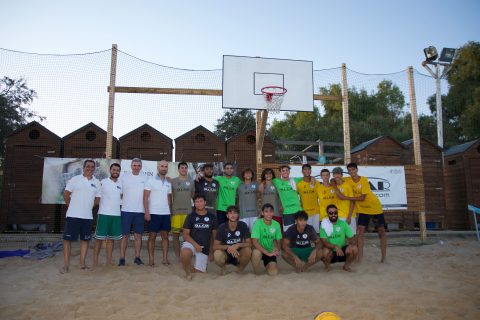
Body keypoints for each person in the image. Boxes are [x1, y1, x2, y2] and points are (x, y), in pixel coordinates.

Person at [61, 159, 100, 273]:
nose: (90, 168)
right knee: (67, 240)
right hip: (73, 215)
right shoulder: (75, 179)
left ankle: (82, 264)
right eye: (88, 166)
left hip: (87, 217)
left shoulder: (96, 182)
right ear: (83, 167)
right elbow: (66, 194)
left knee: (85, 240)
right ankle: (66, 265)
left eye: (92, 167)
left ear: (94, 169)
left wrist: (90, 207)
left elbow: (98, 198)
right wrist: (70, 206)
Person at [344, 162, 386, 262]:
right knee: (360, 233)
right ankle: (360, 258)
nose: (351, 172)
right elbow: (335, 179)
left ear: (357, 170)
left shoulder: (363, 180)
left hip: (374, 208)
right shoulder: (348, 180)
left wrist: (346, 197)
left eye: (353, 169)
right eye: (349, 170)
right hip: (363, 210)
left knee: (381, 232)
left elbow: (362, 197)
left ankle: (383, 257)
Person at [180, 194, 218, 280]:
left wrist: (211, 252)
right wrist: (195, 244)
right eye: (197, 202)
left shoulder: (212, 217)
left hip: (204, 248)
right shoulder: (190, 216)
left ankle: (193, 265)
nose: (199, 203)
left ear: (205, 202)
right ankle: (188, 273)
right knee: (185, 253)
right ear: (194, 204)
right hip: (191, 243)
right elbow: (185, 234)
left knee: (200, 273)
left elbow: (214, 237)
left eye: (201, 201)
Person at [92, 163, 122, 268]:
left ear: (120, 172)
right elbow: (96, 196)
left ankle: (108, 261)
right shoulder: (102, 182)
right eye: (114, 170)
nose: (115, 172)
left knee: (111, 239)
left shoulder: (121, 184)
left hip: (116, 215)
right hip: (103, 214)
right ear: (110, 170)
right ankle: (95, 261)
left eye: (118, 170)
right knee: (99, 239)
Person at [119, 158, 148, 266]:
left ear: (141, 167)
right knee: (124, 236)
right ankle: (122, 258)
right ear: (131, 166)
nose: (136, 167)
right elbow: (119, 192)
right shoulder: (124, 177)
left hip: (140, 211)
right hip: (126, 211)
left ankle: (137, 257)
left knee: (138, 236)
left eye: (138, 166)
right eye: (134, 165)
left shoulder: (145, 178)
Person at [144, 160, 172, 266]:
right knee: (152, 237)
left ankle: (165, 259)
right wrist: (147, 212)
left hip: (165, 214)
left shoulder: (168, 182)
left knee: (165, 237)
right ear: (157, 167)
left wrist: (170, 213)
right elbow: (145, 197)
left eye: (165, 166)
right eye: (162, 166)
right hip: (153, 213)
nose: (164, 168)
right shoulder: (150, 180)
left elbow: (170, 199)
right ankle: (151, 259)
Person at [213, 205, 252, 274]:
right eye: (230, 213)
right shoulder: (222, 227)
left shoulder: (243, 225)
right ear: (227, 215)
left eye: (235, 213)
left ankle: (240, 269)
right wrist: (228, 247)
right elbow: (215, 246)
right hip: (226, 253)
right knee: (217, 254)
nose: (233, 215)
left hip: (238, 253)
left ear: (238, 215)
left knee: (248, 250)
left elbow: (249, 243)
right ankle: (223, 268)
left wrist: (238, 245)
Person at [320, 204, 358, 272]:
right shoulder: (324, 224)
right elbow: (324, 242)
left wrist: (351, 245)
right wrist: (335, 247)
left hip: (342, 250)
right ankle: (327, 267)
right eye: (331, 213)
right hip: (331, 251)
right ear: (327, 214)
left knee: (354, 249)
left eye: (335, 212)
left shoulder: (343, 224)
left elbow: (352, 238)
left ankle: (346, 266)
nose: (333, 214)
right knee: (324, 252)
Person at [171, 161, 195, 259]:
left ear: (187, 169)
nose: (184, 169)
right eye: (182, 168)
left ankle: (186, 255)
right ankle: (178, 256)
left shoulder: (191, 181)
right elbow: (171, 195)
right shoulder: (173, 181)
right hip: (176, 211)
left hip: (188, 212)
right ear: (178, 169)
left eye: (185, 168)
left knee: (187, 235)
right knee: (176, 235)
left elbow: (192, 195)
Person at [251, 203, 283, 276]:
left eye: (271, 211)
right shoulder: (257, 223)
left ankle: (268, 265)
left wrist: (277, 249)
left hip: (270, 251)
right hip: (259, 250)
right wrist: (267, 253)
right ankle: (257, 272)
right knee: (256, 253)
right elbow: (255, 242)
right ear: (262, 213)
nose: (269, 214)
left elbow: (279, 241)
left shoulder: (276, 224)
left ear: (273, 212)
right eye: (266, 211)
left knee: (273, 273)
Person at [272, 165, 302, 231]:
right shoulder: (276, 181)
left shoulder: (295, 180)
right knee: (288, 233)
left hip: (298, 210)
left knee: (300, 231)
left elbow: (307, 178)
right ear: (280, 172)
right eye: (283, 171)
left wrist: (313, 178)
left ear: (289, 171)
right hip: (287, 211)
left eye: (286, 170)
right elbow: (266, 180)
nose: (285, 172)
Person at [330, 167, 356, 235]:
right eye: (335, 174)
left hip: (348, 215)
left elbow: (352, 201)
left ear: (342, 175)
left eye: (338, 174)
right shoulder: (332, 186)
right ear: (333, 175)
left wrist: (349, 216)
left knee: (351, 236)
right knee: (340, 237)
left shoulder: (347, 186)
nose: (337, 175)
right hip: (338, 215)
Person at [296, 164, 321, 232]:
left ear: (310, 171)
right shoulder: (299, 184)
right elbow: (294, 196)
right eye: (305, 169)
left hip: (316, 212)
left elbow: (321, 196)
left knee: (316, 231)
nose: (307, 171)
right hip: (305, 212)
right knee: (306, 231)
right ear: (302, 171)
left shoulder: (316, 183)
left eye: (308, 169)